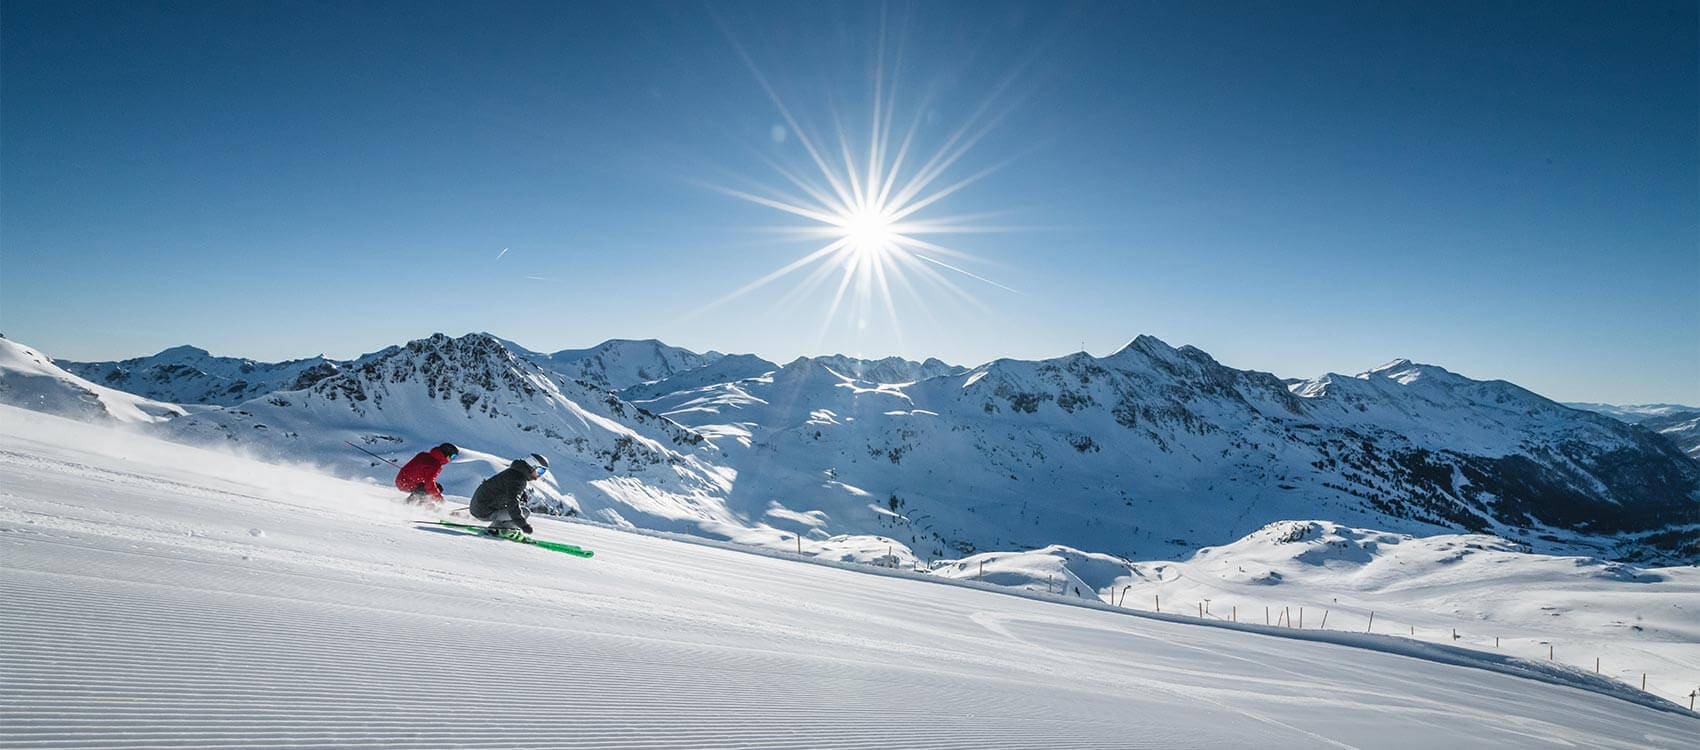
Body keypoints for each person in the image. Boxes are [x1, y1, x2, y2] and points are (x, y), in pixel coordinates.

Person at [470, 453, 548, 539]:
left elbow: (504, 490)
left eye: (543, 472)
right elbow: (513, 503)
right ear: (532, 466)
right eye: (540, 471)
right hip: (483, 511)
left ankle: (495, 529)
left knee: (518, 509)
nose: (540, 475)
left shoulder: (514, 473)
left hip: (479, 507)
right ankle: (504, 531)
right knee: (525, 512)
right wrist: (523, 524)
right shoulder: (519, 479)